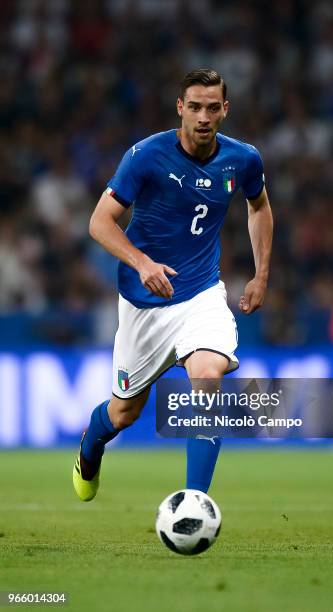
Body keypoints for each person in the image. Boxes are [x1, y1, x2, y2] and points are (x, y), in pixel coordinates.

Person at [73, 68, 273, 501]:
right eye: (195, 107)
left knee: (207, 377)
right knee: (124, 413)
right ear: (181, 108)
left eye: (213, 107)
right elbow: (99, 223)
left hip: (201, 293)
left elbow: (258, 207)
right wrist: (142, 262)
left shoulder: (243, 159)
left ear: (225, 110)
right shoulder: (145, 156)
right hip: (144, 303)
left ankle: (194, 505)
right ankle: (90, 445)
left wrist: (261, 275)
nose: (204, 116)